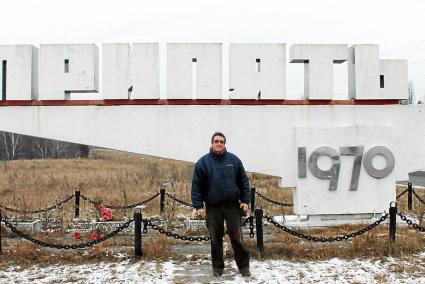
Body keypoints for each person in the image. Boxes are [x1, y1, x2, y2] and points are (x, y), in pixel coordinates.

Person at [191, 132, 251, 277]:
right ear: (211, 143)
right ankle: (217, 268)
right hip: (213, 207)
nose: (219, 144)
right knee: (215, 239)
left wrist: (245, 201)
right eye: (216, 141)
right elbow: (196, 186)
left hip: (232, 206)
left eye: (222, 142)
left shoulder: (234, 160)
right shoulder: (203, 163)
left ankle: (244, 267)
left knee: (237, 238)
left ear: (225, 144)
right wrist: (199, 206)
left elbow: (244, 182)